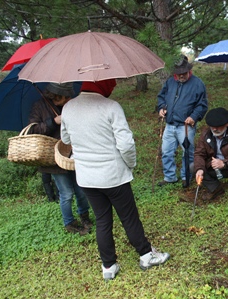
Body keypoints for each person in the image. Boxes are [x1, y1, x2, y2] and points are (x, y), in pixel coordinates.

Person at [61, 79, 170, 281]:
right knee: (129, 217)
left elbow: (66, 140)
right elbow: (126, 145)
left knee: (102, 221)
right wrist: (130, 164)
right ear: (103, 85)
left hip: (86, 178)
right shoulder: (111, 107)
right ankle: (146, 255)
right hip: (113, 176)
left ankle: (108, 266)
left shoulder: (68, 107)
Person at [29, 82, 92, 235]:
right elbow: (33, 129)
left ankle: (84, 215)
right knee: (66, 193)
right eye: (66, 97)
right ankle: (69, 223)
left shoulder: (70, 105)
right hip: (54, 157)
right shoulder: (39, 106)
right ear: (57, 96)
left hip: (74, 152)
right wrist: (53, 122)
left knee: (82, 189)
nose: (69, 99)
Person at [157, 55, 208, 188]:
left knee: (188, 151)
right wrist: (161, 108)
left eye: (184, 73)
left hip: (186, 125)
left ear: (188, 71)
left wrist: (194, 116)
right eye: (178, 74)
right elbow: (161, 97)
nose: (181, 76)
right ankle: (169, 177)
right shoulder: (169, 82)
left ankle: (187, 176)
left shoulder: (197, 84)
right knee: (166, 151)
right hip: (169, 124)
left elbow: (202, 104)